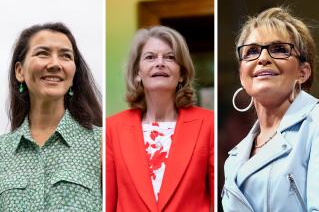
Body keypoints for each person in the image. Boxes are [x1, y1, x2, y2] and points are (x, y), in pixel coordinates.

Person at [222, 7, 319, 211]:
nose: (263, 58)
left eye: (279, 49)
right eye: (251, 51)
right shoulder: (234, 158)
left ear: (303, 72)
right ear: (242, 75)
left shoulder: (316, 124)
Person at [106, 26, 214, 211]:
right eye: (150, 57)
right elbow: (108, 203)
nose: (160, 63)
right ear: (138, 73)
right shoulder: (112, 128)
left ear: (181, 73)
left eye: (170, 57)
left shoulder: (209, 123)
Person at [0, 23, 102, 211]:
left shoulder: (102, 143)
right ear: (19, 71)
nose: (55, 64)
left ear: (74, 73)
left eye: (65, 56)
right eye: (43, 53)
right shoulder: (2, 152)